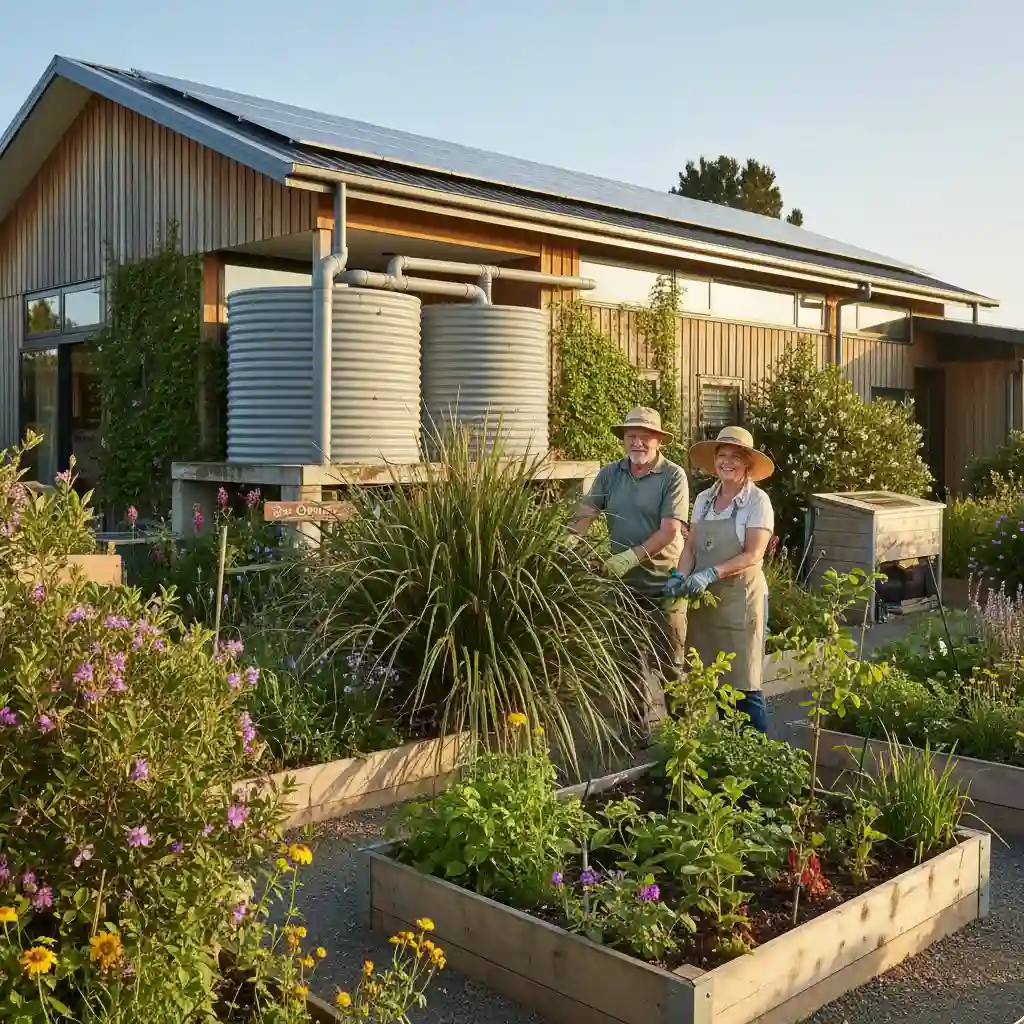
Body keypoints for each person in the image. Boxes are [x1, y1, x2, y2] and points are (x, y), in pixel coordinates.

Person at [568, 407, 689, 729]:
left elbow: (670, 531)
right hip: (621, 585)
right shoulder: (611, 473)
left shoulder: (673, 476)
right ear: (624, 439)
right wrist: (566, 542)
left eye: (645, 436)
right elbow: (588, 510)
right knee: (627, 660)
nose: (637, 442)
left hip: (664, 584)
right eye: (631, 436)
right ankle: (638, 730)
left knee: (670, 663)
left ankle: (683, 732)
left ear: (658, 441)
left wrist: (631, 556)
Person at [665, 426, 774, 734]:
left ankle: (757, 759)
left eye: (735, 457)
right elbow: (691, 547)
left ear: (748, 463)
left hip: (741, 603)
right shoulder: (703, 499)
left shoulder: (757, 502)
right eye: (721, 455)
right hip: (706, 604)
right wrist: (679, 575)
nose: (727, 462)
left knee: (744, 684)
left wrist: (711, 573)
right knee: (707, 678)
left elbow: (753, 554)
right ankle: (726, 747)